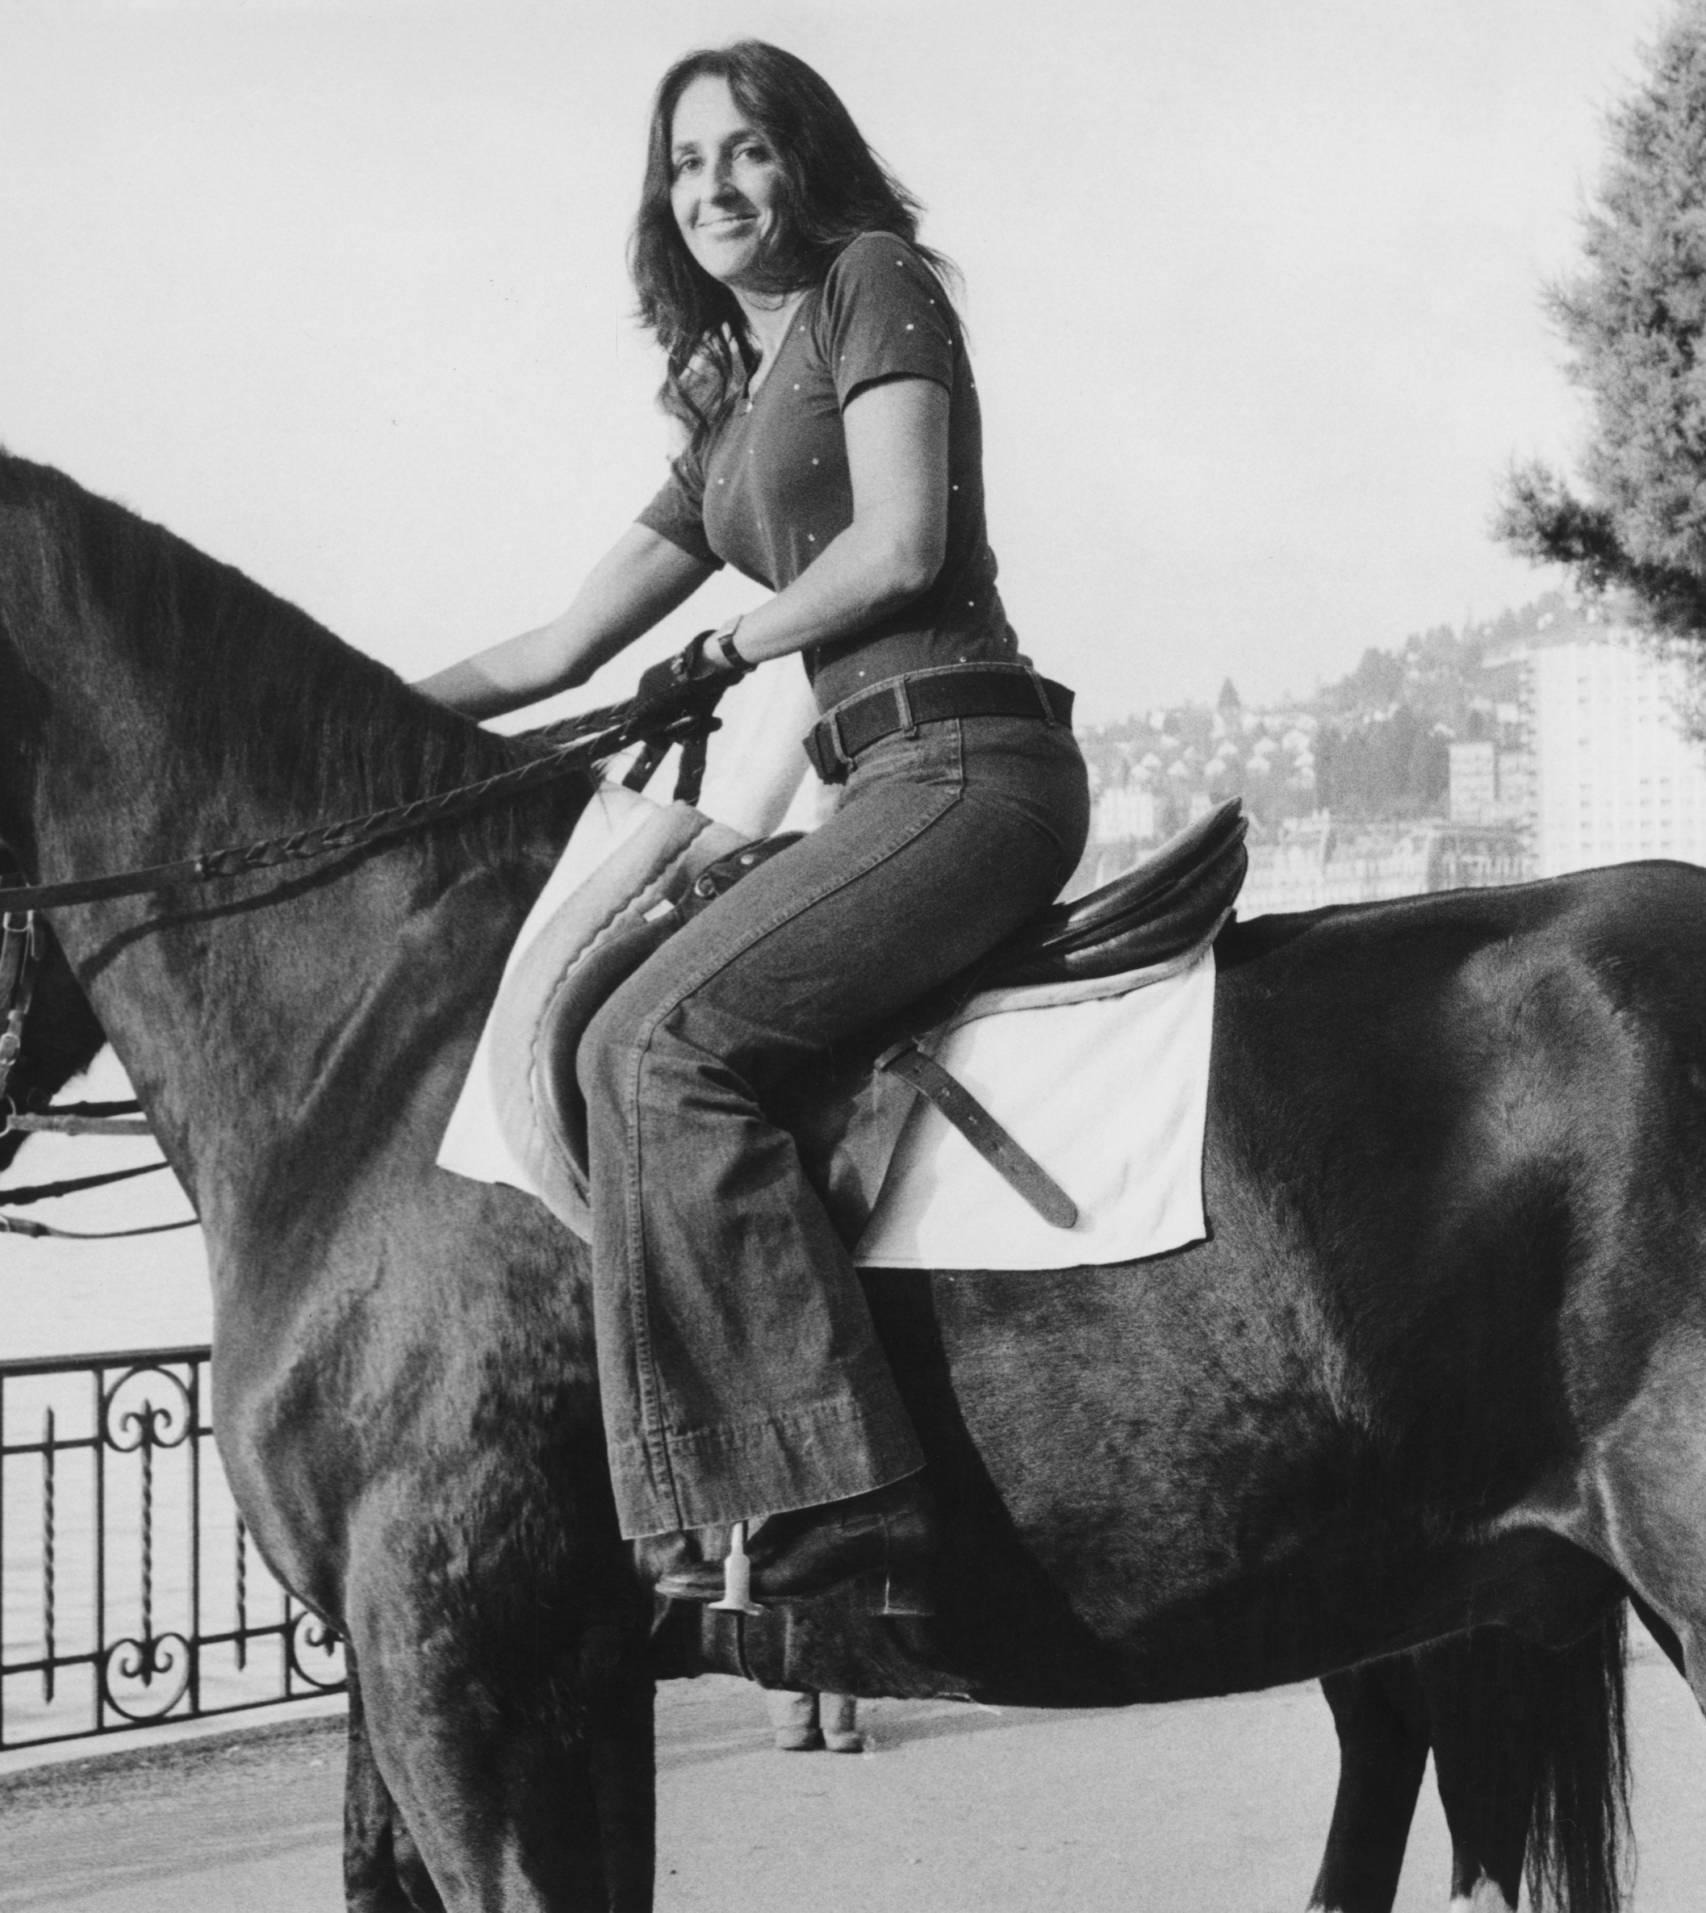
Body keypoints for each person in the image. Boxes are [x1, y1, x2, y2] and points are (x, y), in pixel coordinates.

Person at [417, 41, 1087, 1615]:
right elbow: (554, 649)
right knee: (599, 1033)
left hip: (969, 770)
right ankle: (691, 1515)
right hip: (880, 788)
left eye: (747, 152)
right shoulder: (729, 399)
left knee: (653, 1048)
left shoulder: (875, 283)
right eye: (685, 162)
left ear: (807, 163)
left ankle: (841, 1503)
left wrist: (732, 643)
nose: (714, 187)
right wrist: (350, 722)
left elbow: (902, 544)